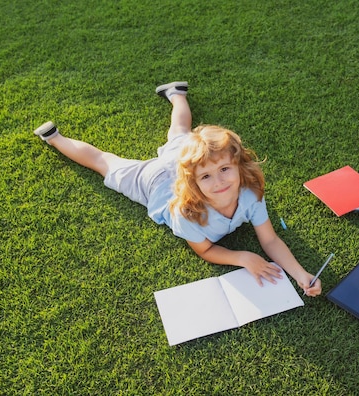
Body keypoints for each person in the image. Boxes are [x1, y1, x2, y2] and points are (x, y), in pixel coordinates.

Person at [34, 81, 322, 296]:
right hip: (157, 181)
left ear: (239, 166)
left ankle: (176, 93)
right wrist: (241, 257)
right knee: (104, 163)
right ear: (194, 182)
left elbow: (270, 240)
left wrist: (300, 273)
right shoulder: (188, 213)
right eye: (208, 177)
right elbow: (205, 249)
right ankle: (55, 138)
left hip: (185, 159)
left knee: (182, 135)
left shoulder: (249, 193)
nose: (219, 182)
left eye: (225, 170)